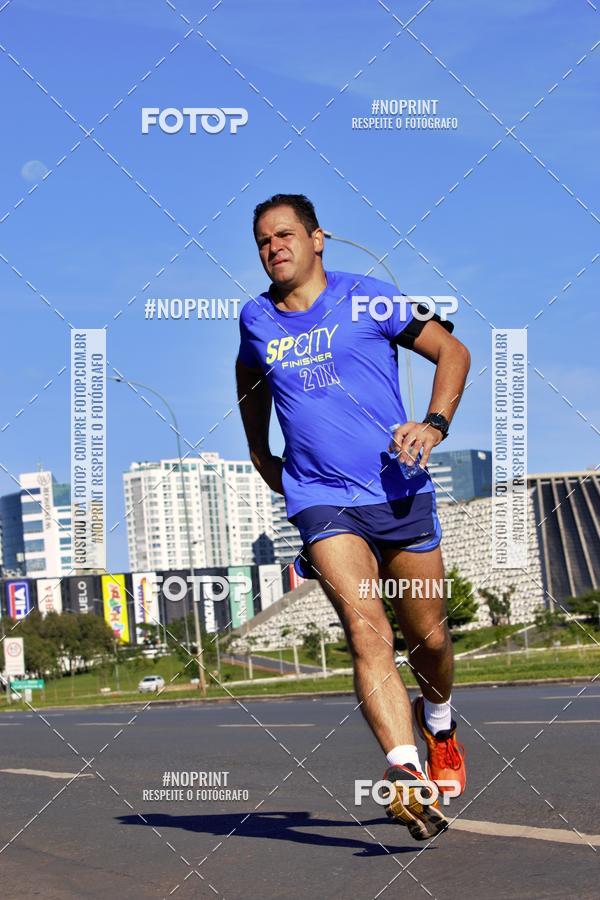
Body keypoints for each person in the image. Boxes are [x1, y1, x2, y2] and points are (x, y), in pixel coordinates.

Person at [236, 193, 470, 839]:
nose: (274, 247)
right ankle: (406, 772)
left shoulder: (368, 298)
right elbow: (249, 378)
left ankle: (439, 723)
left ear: (317, 239)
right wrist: (259, 452)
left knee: (429, 641)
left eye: (285, 234)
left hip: (397, 487)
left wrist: (434, 424)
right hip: (320, 497)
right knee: (368, 632)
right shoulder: (255, 318)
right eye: (263, 241)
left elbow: (452, 352)